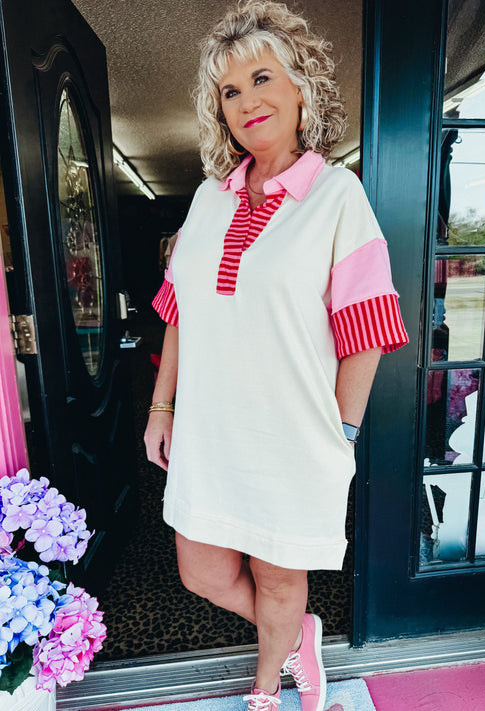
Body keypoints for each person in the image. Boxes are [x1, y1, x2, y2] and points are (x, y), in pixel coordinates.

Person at [144, 2, 408, 710]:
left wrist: (341, 434)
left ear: (300, 89)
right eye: (229, 91)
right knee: (200, 569)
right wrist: (161, 405)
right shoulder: (206, 200)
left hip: (292, 433)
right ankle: (298, 636)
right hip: (207, 431)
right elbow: (179, 312)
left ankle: (269, 688)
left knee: (279, 577)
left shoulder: (336, 196)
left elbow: (369, 324)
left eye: (262, 78)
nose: (246, 101)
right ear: (218, 111)